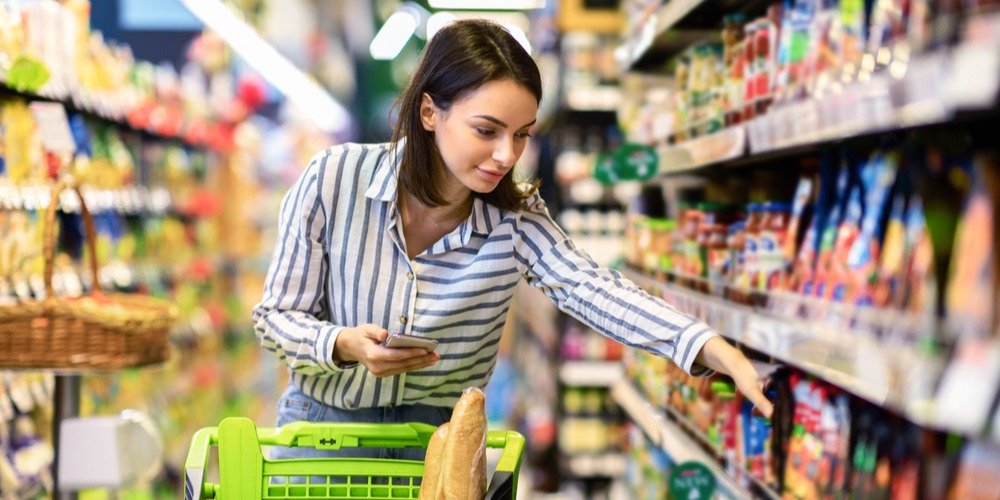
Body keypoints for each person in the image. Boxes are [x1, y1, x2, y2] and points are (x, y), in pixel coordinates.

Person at [253, 19, 773, 462]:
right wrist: (341, 344)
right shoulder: (334, 178)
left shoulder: (516, 217)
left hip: (443, 448)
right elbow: (275, 316)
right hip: (322, 438)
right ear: (430, 112)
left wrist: (709, 347)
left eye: (522, 134)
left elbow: (595, 289)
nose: (507, 155)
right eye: (487, 130)